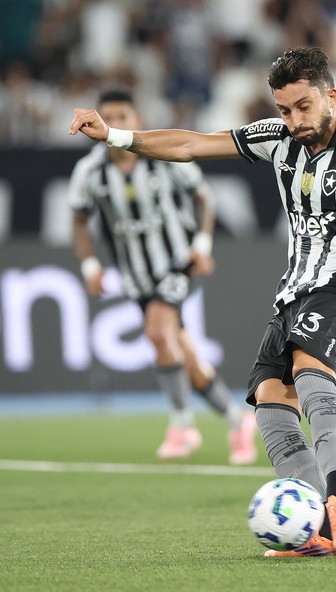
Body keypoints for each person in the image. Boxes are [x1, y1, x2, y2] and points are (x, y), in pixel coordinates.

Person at [69, 48, 336, 557]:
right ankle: (313, 527)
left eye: (303, 107)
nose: (294, 120)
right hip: (295, 289)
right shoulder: (277, 138)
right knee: (268, 395)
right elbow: (193, 143)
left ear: (331, 95)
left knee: (309, 369)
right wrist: (116, 137)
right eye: (284, 109)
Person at [68, 89, 257, 466]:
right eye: (108, 116)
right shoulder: (89, 171)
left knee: (157, 331)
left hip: (177, 263)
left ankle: (183, 425)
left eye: (122, 116)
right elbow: (78, 219)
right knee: (183, 354)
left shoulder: (164, 157)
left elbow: (204, 197)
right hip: (136, 276)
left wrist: (202, 245)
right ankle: (238, 421)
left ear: (136, 121)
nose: (114, 123)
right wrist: (90, 266)